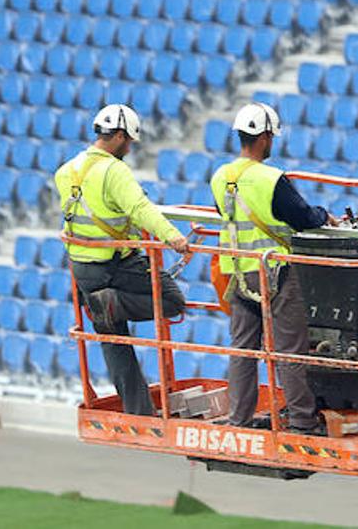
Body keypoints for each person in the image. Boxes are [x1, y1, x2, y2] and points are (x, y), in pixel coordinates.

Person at [211, 102, 342, 434]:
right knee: (289, 349)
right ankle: (301, 420)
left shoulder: (220, 176)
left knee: (242, 349)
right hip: (275, 272)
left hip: (237, 272)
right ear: (265, 137)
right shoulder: (271, 179)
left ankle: (239, 419)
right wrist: (324, 215)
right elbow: (303, 217)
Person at [55, 104, 189, 416]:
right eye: (128, 141)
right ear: (117, 136)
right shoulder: (114, 171)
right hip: (114, 265)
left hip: (82, 269)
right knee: (171, 299)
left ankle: (138, 410)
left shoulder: (67, 170)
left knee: (113, 339)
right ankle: (112, 302)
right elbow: (141, 209)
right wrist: (173, 237)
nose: (129, 147)